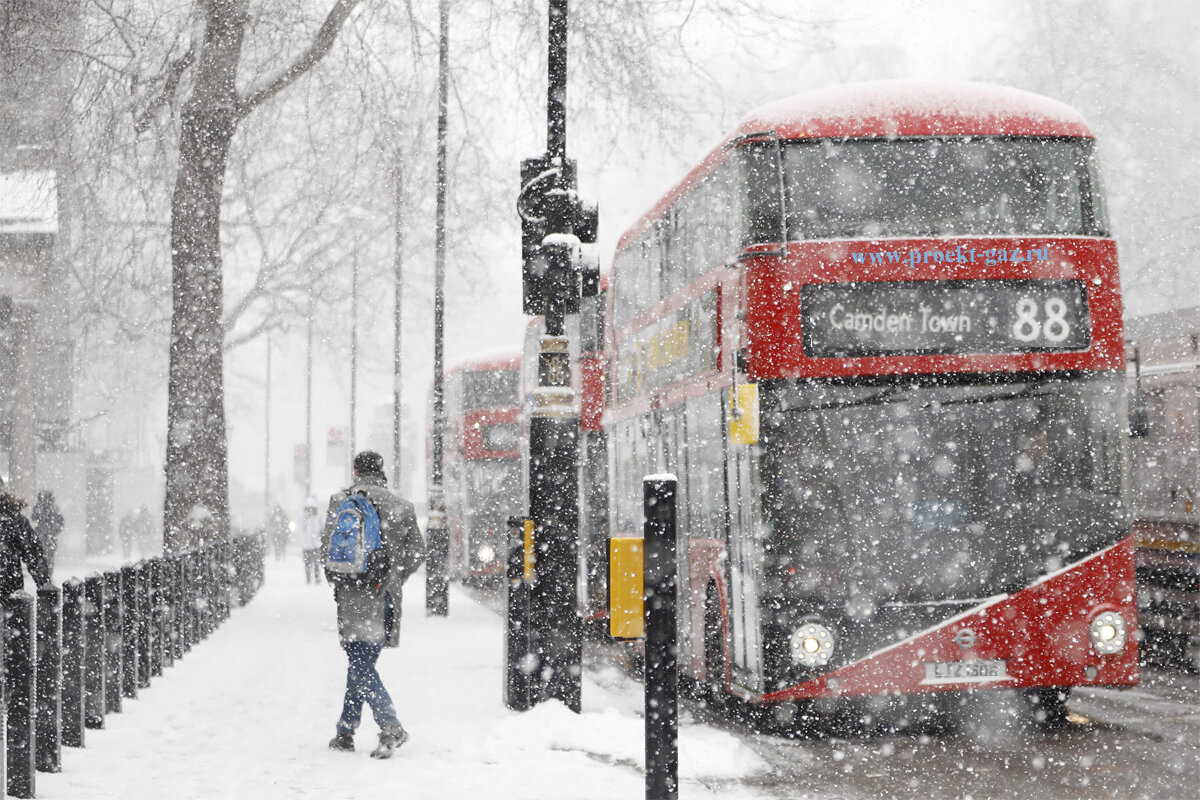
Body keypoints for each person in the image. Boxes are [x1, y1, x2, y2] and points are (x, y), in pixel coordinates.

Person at [323, 451, 424, 759]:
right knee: (363, 662)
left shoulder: (340, 502)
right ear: (382, 472)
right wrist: (395, 576)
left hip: (350, 596)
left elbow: (327, 546)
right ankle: (347, 729)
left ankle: (383, 726)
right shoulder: (402, 507)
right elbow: (418, 551)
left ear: (355, 471)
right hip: (385, 597)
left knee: (359, 661)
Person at [0, 476, 53, 597]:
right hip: (10, 589)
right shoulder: (13, 519)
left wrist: (44, 584)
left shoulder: (14, 520)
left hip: (9, 592)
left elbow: (33, 552)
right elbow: (33, 552)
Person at [31, 490, 64, 575]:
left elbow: (61, 522)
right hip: (43, 536)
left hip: (49, 537)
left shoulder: (53, 508)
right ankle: (43, 574)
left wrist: (54, 531)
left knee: (48, 557)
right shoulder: (40, 507)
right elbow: (34, 517)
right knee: (41, 556)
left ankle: (47, 574)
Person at [298, 494, 322, 584]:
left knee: (316, 563)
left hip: (315, 543)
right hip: (306, 544)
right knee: (307, 563)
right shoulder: (303, 517)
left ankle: (317, 578)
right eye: (309, 508)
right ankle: (308, 578)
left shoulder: (317, 517)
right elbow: (302, 526)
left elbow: (319, 528)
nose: (310, 510)